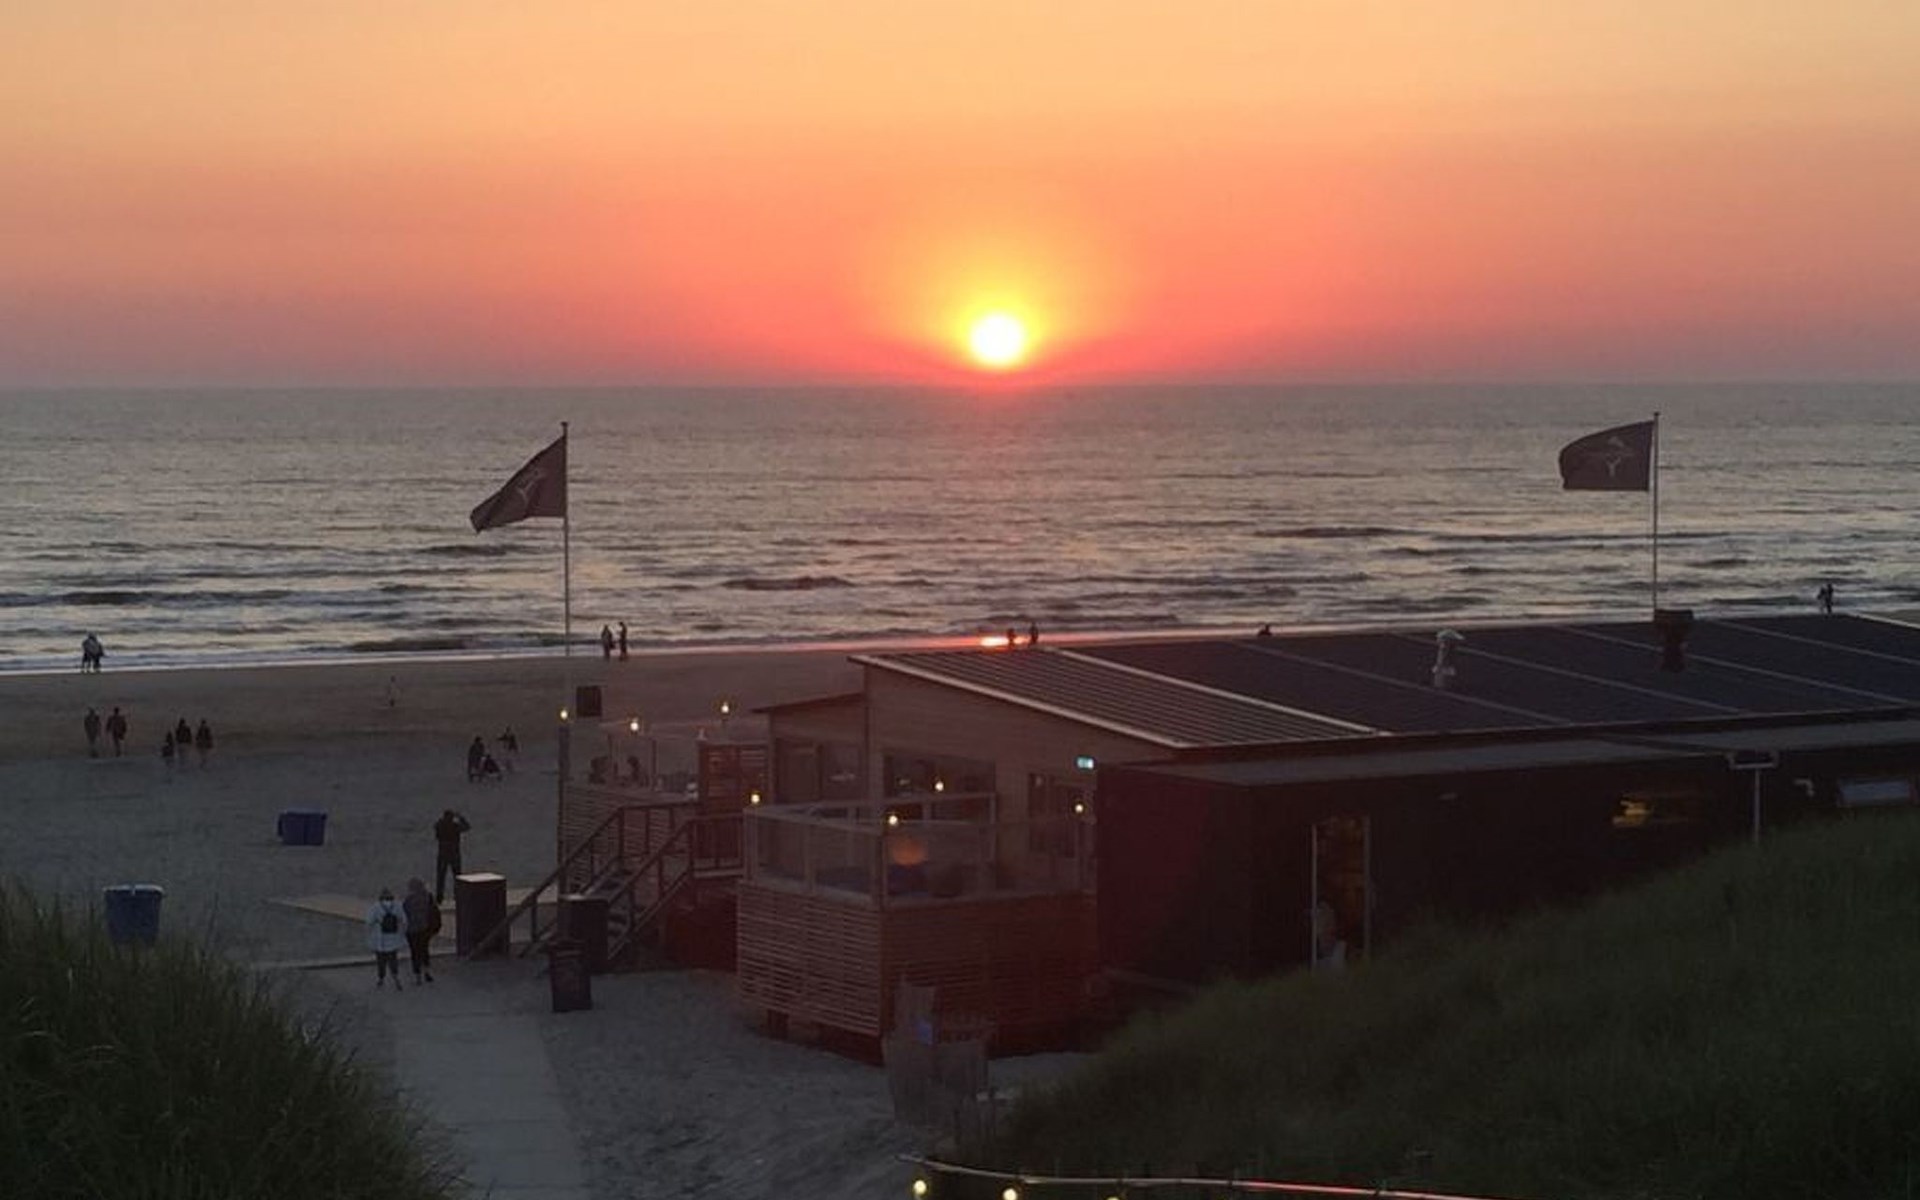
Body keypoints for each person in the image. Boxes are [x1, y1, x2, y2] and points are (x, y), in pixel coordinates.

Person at [366, 887, 408, 989]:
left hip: (380, 939)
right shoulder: (398, 906)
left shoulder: (375, 907)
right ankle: (396, 977)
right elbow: (404, 920)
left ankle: (381, 978)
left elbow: (369, 922)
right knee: (393, 959)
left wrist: (370, 931)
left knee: (381, 961)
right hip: (393, 938)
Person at [401, 877, 440, 985]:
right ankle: (427, 972)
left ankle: (417, 976)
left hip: (412, 930)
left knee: (415, 952)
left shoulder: (408, 900)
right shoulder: (428, 897)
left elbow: (404, 915)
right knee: (424, 950)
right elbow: (435, 912)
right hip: (425, 928)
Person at [433, 809, 471, 902]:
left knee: (441, 877)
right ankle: (458, 895)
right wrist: (460, 818)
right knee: (457, 877)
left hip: (443, 853)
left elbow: (436, 829)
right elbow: (467, 827)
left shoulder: (440, 825)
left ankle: (439, 897)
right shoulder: (454, 826)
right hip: (454, 853)